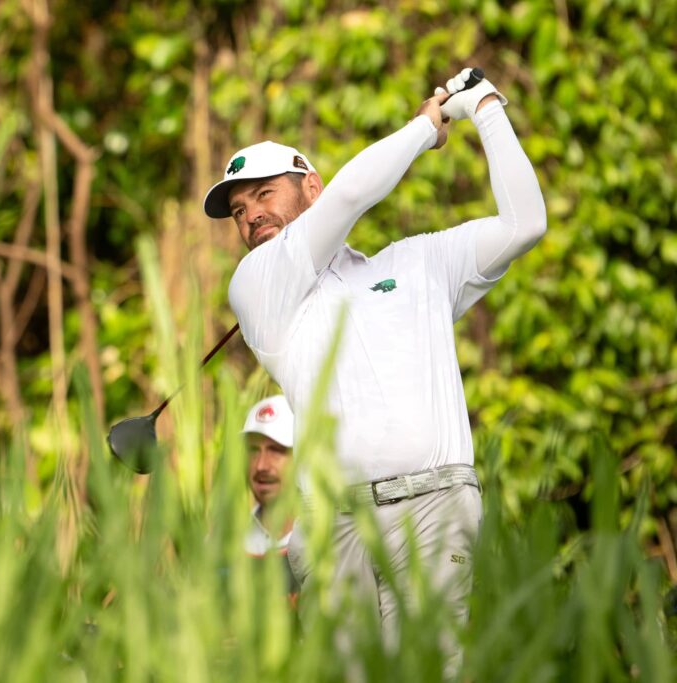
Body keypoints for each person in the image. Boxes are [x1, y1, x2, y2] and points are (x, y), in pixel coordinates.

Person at [203, 69, 546, 652]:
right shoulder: (256, 284)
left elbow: (525, 223)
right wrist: (428, 127)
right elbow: (351, 196)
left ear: (308, 186)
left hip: (437, 508)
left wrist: (484, 107)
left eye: (264, 194)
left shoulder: (417, 262)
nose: (250, 215)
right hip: (336, 523)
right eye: (238, 210)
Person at [242, 394, 299, 597]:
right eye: (253, 450)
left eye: (276, 450)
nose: (261, 465)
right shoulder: (222, 544)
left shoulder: (336, 541)